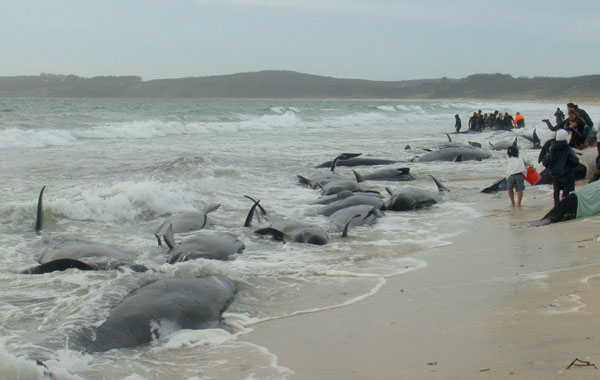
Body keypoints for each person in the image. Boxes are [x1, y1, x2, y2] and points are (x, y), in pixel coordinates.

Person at [543, 129, 579, 206]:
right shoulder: (568, 149)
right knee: (566, 192)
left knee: (556, 191)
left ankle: (556, 206)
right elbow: (575, 161)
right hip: (567, 174)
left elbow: (546, 162)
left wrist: (551, 168)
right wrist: (570, 168)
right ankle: (565, 206)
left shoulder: (552, 149)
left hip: (555, 174)